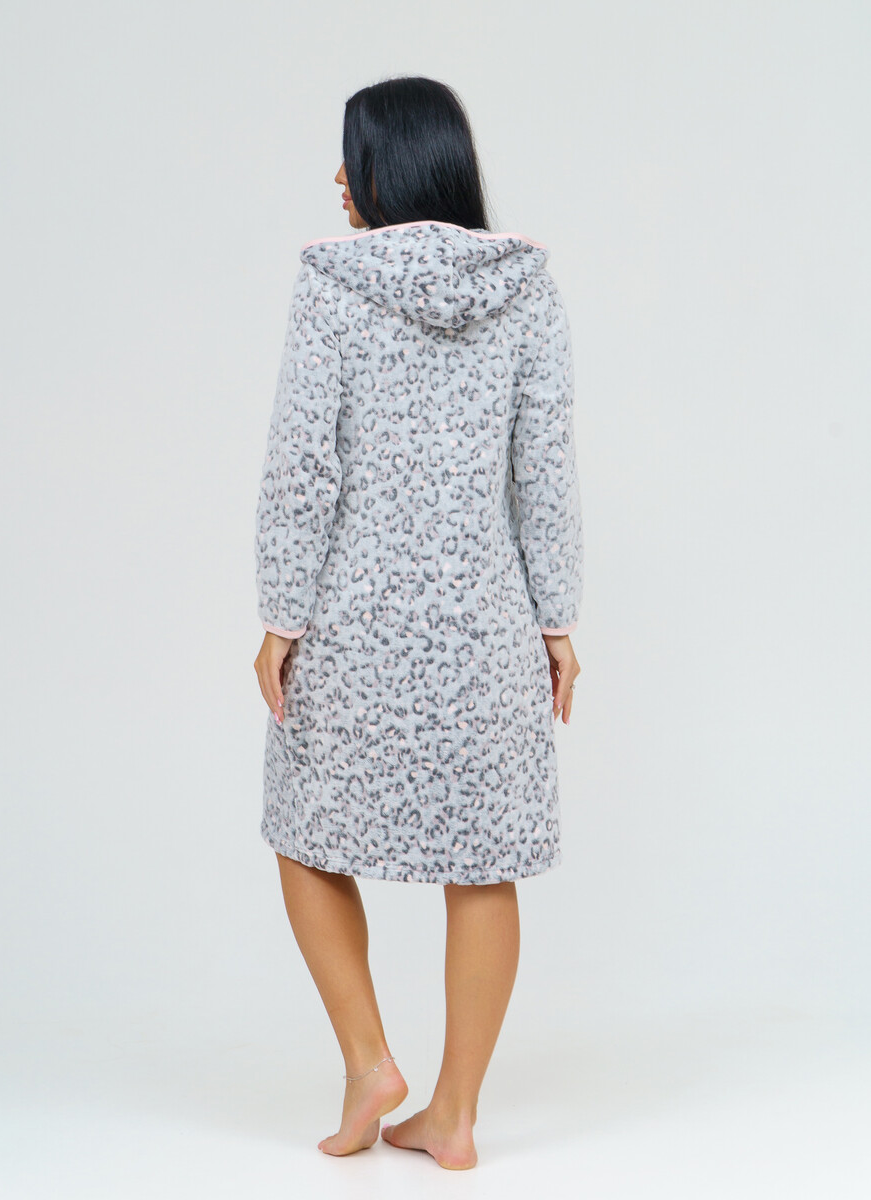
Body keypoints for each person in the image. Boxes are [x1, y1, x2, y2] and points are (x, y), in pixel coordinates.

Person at [253, 75, 583, 1171]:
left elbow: (303, 466)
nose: (338, 177)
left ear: (385, 168)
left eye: (350, 156)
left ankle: (368, 1063)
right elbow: (544, 471)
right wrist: (557, 623)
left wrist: (280, 615)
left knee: (303, 832)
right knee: (482, 863)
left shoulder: (331, 283)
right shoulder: (525, 286)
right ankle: (455, 1116)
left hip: (354, 619)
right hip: (488, 623)